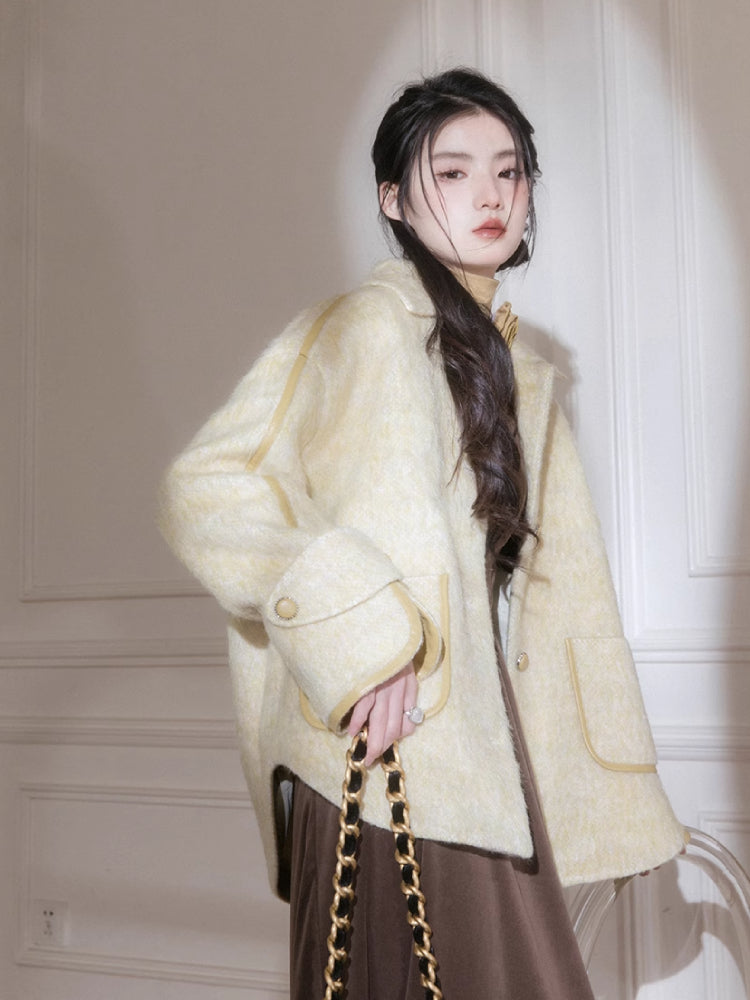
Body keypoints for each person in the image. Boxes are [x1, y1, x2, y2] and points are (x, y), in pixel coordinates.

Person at [159, 68, 685, 999]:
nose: (490, 195)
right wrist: (361, 637)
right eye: (451, 172)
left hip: (487, 748)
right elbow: (207, 486)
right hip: (394, 749)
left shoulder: (518, 360)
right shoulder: (360, 328)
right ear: (392, 200)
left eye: (509, 171)